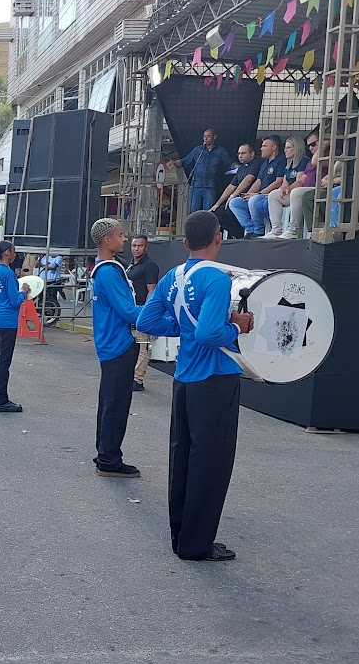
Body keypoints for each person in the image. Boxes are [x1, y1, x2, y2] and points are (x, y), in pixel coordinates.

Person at [136, 210, 255, 562]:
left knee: (183, 457)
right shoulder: (216, 278)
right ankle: (197, 544)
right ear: (219, 238)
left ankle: (181, 536)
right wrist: (237, 327)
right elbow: (208, 333)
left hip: (184, 377)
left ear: (186, 242)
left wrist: (183, 328)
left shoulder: (173, 275)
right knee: (211, 463)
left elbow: (147, 321)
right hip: (214, 378)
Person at [89, 219, 143, 478]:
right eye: (121, 235)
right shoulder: (109, 271)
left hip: (110, 343)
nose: (125, 239)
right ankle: (109, 459)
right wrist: (161, 313)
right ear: (107, 240)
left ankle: (105, 452)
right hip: (118, 345)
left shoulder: (103, 268)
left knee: (109, 402)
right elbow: (128, 310)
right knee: (116, 405)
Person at [0, 240, 30, 413]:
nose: (15, 254)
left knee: (1, 359)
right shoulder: (8, 273)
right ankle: (0, 400)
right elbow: (15, 301)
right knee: (4, 361)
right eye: (13, 251)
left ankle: (0, 397)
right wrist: (24, 291)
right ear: (6, 252)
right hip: (8, 320)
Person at [230, 135, 285, 238]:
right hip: (261, 195)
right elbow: (258, 181)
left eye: (264, 146)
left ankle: (259, 230)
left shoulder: (281, 160)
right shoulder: (265, 163)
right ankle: (250, 228)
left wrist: (258, 194)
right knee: (235, 203)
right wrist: (248, 194)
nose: (261, 149)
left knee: (254, 200)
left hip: (272, 195)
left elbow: (279, 182)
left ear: (274, 147)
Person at [263, 135, 314, 240]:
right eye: (285, 147)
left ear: (297, 148)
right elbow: (285, 183)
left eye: (288, 147)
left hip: (300, 193)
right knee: (273, 195)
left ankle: (293, 230)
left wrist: (288, 189)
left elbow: (300, 182)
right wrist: (283, 189)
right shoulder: (289, 163)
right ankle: (276, 230)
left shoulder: (304, 161)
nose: (285, 150)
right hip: (291, 193)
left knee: (295, 192)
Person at [126, 234, 159, 392]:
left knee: (142, 346)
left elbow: (151, 291)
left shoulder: (150, 266)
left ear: (146, 248)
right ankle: (130, 376)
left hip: (142, 311)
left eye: (140, 246)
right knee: (132, 346)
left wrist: (146, 312)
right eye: (134, 246)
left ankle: (138, 380)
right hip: (130, 311)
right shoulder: (131, 265)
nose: (136, 249)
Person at [210, 143, 262, 238]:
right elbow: (231, 186)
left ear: (252, 153)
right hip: (240, 199)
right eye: (239, 154)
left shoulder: (257, 162)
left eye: (243, 153)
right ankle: (238, 234)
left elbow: (248, 180)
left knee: (231, 208)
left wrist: (232, 196)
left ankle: (247, 232)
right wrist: (217, 204)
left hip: (252, 198)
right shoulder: (242, 167)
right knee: (216, 213)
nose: (240, 156)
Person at [179, 128, 233, 212]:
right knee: (193, 211)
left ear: (214, 137)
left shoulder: (220, 151)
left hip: (210, 186)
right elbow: (186, 161)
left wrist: (237, 166)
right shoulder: (198, 150)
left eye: (208, 136)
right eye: (204, 136)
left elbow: (229, 163)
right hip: (196, 185)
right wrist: (175, 163)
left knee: (208, 211)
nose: (206, 138)